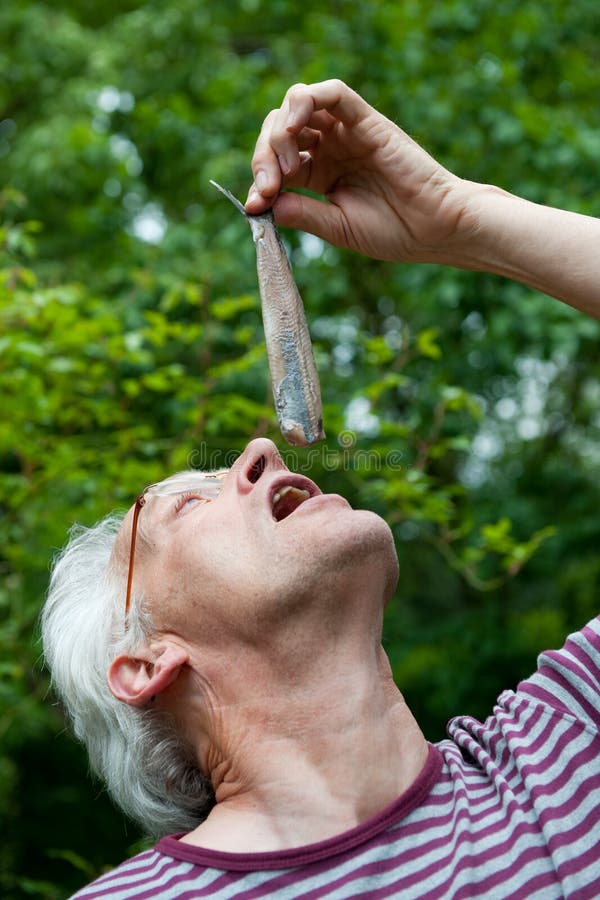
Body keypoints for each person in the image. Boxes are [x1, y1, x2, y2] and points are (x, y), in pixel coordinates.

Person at [42, 80, 600, 899]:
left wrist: (464, 217)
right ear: (148, 660)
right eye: (189, 504)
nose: (259, 450)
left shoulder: (564, 751)